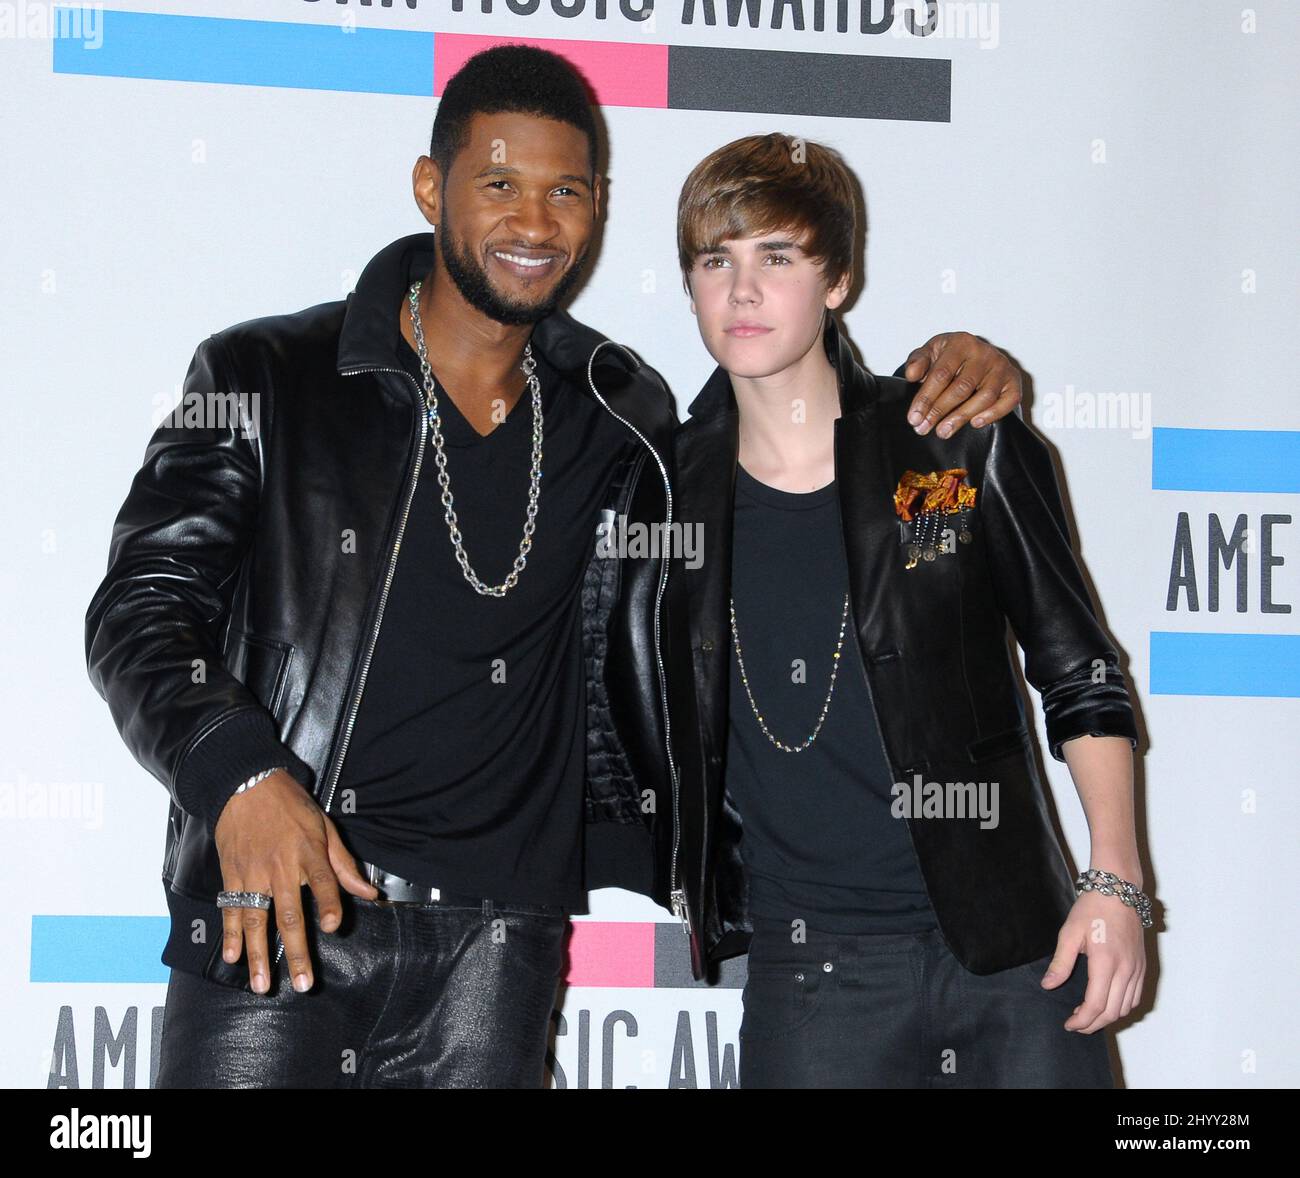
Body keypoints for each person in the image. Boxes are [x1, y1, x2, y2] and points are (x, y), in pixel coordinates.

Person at [85, 49, 1026, 1088]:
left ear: (597, 209)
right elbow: (139, 610)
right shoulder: (267, 376)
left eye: (565, 192)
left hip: (499, 949)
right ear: (430, 187)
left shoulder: (622, 415)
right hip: (283, 921)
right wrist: (240, 774)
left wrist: (944, 369)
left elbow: (797, 425)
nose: (534, 223)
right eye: (499, 184)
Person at [667, 133, 1148, 1088]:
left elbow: (1079, 670)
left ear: (838, 280)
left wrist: (1115, 880)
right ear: (689, 287)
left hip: (1018, 949)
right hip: (813, 978)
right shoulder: (663, 492)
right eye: (715, 260)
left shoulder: (955, 444)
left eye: (779, 256)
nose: (744, 290)